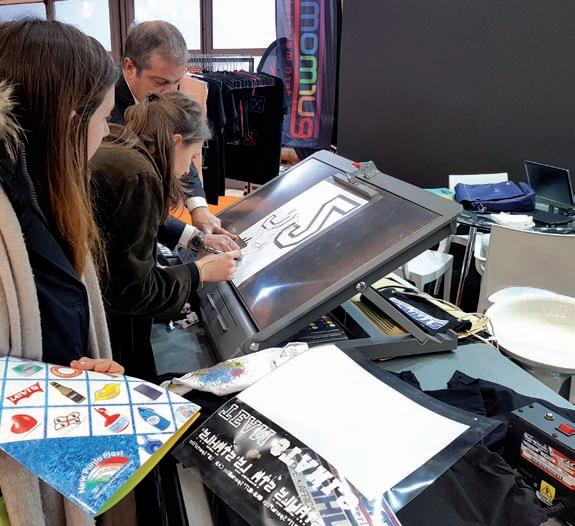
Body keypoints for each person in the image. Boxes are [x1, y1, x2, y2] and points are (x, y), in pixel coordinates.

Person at [0, 19, 127, 526]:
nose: (108, 132)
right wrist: (47, 390)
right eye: (104, 117)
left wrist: (69, 377)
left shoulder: (31, 195)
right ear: (71, 116)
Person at [90, 91, 240, 381]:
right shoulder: (139, 175)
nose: (186, 170)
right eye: (191, 156)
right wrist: (199, 272)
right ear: (175, 142)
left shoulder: (123, 147)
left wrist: (197, 239)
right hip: (108, 332)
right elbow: (134, 290)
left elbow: (137, 219)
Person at [111, 20, 231, 239]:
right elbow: (135, 203)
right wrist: (192, 239)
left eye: (177, 82)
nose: (170, 93)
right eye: (160, 82)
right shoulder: (107, 111)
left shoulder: (162, 99)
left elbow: (180, 151)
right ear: (130, 67)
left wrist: (199, 208)